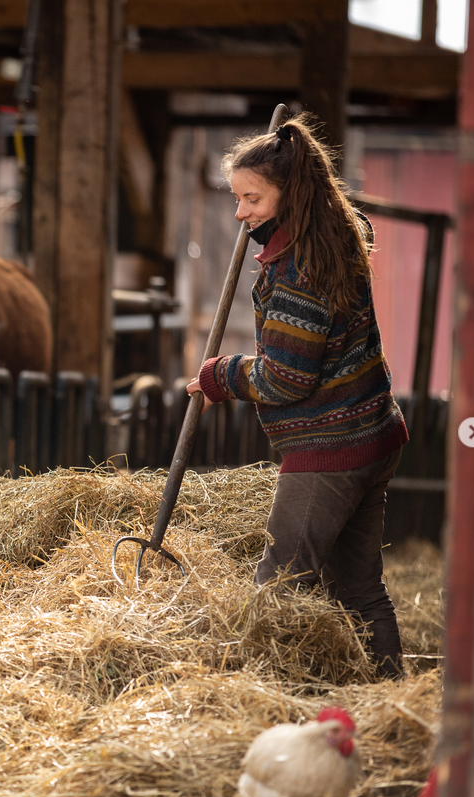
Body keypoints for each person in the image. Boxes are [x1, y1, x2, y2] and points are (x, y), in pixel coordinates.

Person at [187, 115, 409, 678]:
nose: (240, 213)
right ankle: (388, 698)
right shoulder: (337, 236)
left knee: (277, 588)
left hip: (330, 448)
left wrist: (222, 375)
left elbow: (286, 378)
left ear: (293, 194)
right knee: (359, 590)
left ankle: (257, 698)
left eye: (252, 198)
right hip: (373, 432)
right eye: (238, 199)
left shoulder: (298, 271)